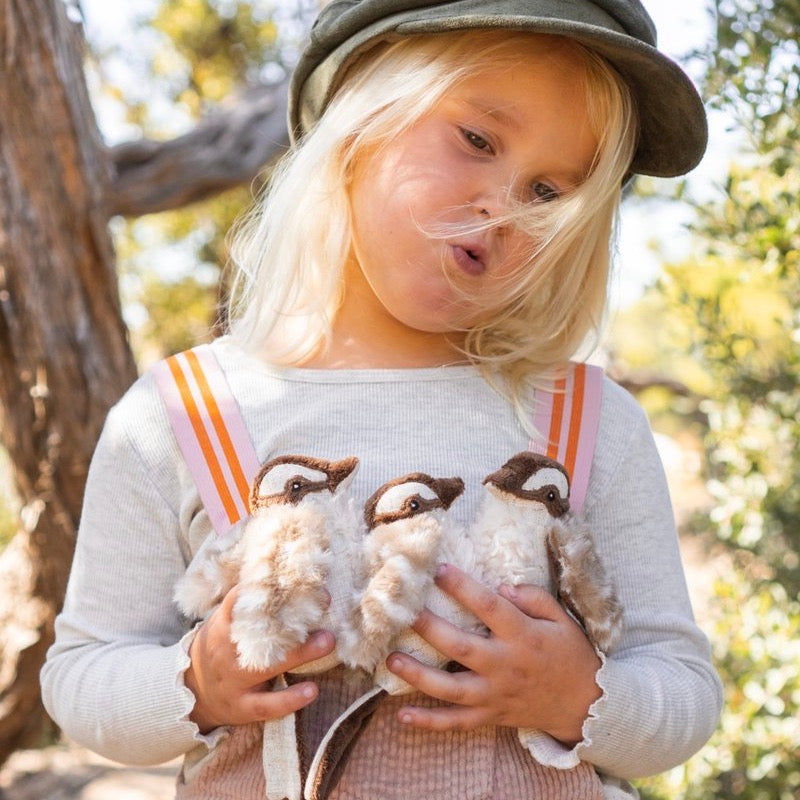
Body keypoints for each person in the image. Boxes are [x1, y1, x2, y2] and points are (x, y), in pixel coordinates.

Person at [41, 1, 723, 798]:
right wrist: (196, 682)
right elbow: (84, 675)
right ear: (362, 120)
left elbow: (682, 687)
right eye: (476, 140)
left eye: (547, 190)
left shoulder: (589, 424)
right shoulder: (183, 415)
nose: (502, 207)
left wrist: (582, 697)